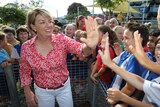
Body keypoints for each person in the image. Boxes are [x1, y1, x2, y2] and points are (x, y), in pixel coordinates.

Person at [19, 8, 99, 107]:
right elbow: (24, 71)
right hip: (42, 91)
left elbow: (81, 50)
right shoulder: (26, 47)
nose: (49, 25)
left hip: (64, 88)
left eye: (50, 21)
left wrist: (90, 46)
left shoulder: (62, 39)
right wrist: (27, 92)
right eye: (42, 22)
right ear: (33, 26)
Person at [98, 31, 160, 107]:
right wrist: (110, 64)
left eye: (126, 38)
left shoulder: (140, 58)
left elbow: (131, 87)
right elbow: (141, 84)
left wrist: (123, 98)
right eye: (158, 47)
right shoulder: (126, 53)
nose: (122, 40)